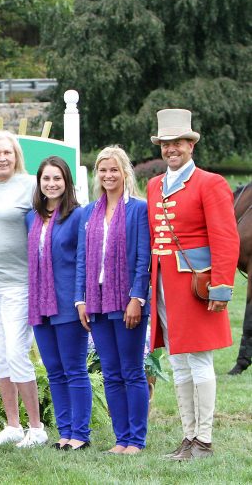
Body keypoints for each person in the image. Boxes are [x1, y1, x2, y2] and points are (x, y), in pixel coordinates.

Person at [146, 109, 239, 461]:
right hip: (165, 287)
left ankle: (204, 440)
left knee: (199, 361)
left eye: (178, 143)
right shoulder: (155, 185)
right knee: (178, 362)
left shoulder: (209, 182)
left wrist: (221, 288)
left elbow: (226, 238)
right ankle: (188, 438)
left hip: (197, 287)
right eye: (166, 144)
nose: (171, 149)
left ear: (191, 144)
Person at [0, 130, 47, 447]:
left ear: (16, 155)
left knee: (18, 353)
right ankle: (13, 426)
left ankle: (37, 428)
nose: (1, 158)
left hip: (20, 282)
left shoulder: (31, 186)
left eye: (7, 152)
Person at [75, 147, 150, 454]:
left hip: (127, 301)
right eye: (103, 170)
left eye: (114, 170)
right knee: (110, 372)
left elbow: (144, 256)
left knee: (131, 371)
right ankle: (121, 439)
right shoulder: (88, 212)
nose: (108, 175)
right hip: (97, 300)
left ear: (125, 173)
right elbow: (82, 259)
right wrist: (81, 300)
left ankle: (137, 439)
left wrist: (137, 297)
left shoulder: (138, 210)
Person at [24, 156, 89, 451]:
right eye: (46, 179)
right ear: (39, 183)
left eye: (57, 179)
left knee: (73, 368)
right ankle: (64, 432)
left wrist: (81, 300)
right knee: (53, 370)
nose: (51, 184)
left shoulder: (78, 216)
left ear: (67, 183)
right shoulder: (31, 217)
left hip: (67, 304)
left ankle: (80, 434)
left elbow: (82, 264)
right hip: (39, 304)